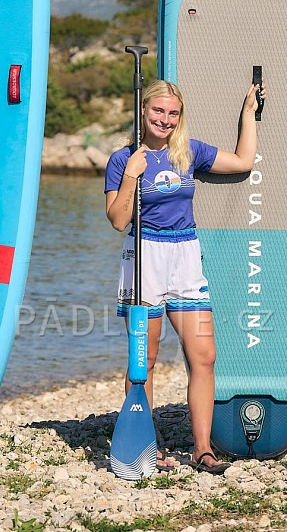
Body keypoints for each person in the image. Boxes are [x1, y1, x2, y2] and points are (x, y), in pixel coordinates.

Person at [104, 78, 264, 474]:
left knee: (204, 356)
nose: (165, 119)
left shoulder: (188, 153)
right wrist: (130, 177)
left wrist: (249, 113)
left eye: (173, 113)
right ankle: (147, 444)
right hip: (144, 257)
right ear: (143, 111)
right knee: (147, 358)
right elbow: (117, 220)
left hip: (185, 255)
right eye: (158, 110)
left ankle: (203, 448)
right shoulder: (124, 159)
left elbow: (243, 162)